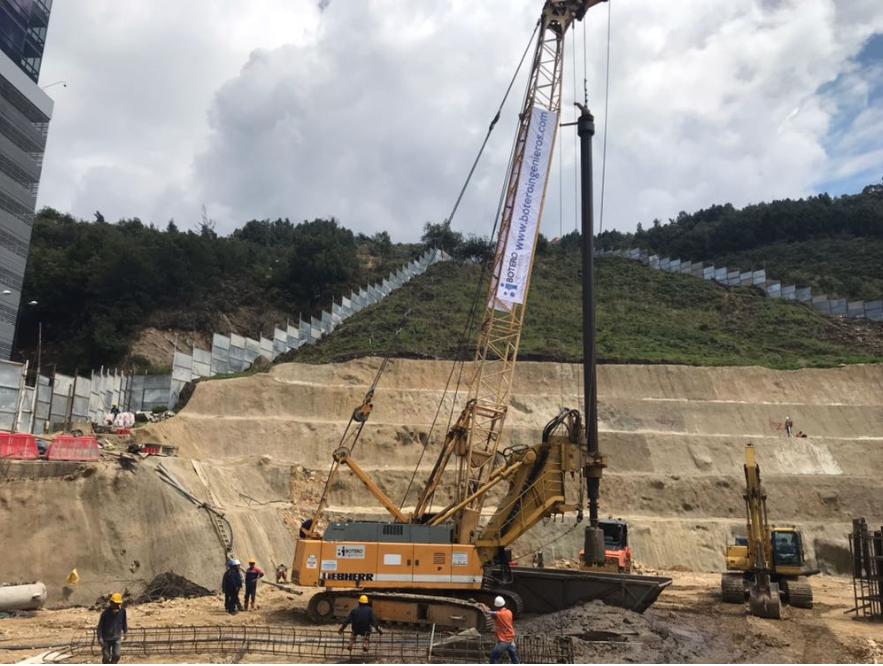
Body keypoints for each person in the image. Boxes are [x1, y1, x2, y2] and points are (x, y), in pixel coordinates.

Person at [480, 596, 519, 664]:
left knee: (494, 657)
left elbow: (487, 612)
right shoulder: (509, 612)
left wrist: (482, 605)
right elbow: (497, 617)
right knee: (514, 657)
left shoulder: (499, 614)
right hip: (511, 638)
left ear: (496, 606)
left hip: (504, 640)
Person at [96, 592, 128, 664]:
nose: (117, 605)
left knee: (117, 655)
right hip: (106, 639)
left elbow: (124, 622)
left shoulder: (122, 611)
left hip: (117, 638)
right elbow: (100, 627)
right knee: (106, 657)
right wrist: (100, 638)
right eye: (115, 604)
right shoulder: (105, 613)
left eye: (118, 604)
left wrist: (125, 631)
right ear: (111, 603)